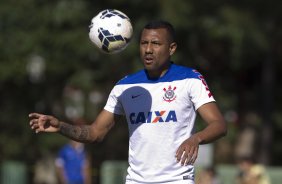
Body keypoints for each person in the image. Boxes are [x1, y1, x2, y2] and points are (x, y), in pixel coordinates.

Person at [29, 20, 227, 184]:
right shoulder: (125, 86)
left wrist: (196, 138)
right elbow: (95, 132)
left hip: (177, 180)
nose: (148, 50)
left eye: (156, 44)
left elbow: (219, 124)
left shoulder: (190, 79)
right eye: (144, 43)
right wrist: (60, 126)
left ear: (172, 48)